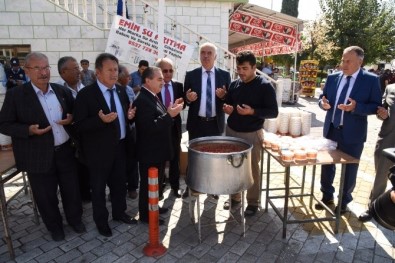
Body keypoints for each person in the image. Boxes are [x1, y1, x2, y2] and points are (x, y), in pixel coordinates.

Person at [0, 52, 85, 241]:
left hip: (64, 151)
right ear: (27, 71)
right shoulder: (16, 95)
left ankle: (75, 220)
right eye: (37, 68)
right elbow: (4, 124)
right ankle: (55, 227)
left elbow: (73, 113)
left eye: (46, 67)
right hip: (36, 155)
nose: (43, 72)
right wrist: (28, 130)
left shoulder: (60, 91)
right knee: (45, 196)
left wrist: (71, 119)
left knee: (71, 189)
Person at [73, 53, 137, 237]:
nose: (114, 73)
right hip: (98, 152)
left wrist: (129, 118)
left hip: (120, 148)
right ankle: (101, 222)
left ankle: (119, 213)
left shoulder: (121, 91)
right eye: (110, 70)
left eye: (116, 69)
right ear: (98, 72)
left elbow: (124, 117)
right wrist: (100, 121)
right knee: (99, 189)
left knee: (119, 185)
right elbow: (79, 125)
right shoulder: (86, 94)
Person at [316, 46, 382, 214]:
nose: (344, 65)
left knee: (350, 169)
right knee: (327, 165)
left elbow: (376, 106)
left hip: (353, 133)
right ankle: (327, 195)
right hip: (331, 129)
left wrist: (356, 107)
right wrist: (322, 104)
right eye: (343, 60)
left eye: (348, 61)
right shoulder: (332, 78)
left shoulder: (371, 80)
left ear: (360, 62)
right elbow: (321, 99)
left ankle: (344, 201)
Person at [223, 51, 278, 216]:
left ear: (254, 67)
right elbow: (229, 103)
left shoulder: (265, 86)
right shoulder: (234, 84)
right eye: (239, 68)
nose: (241, 72)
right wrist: (227, 107)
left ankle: (253, 202)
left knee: (252, 169)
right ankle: (235, 197)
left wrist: (252, 111)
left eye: (245, 68)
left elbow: (273, 112)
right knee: (232, 167)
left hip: (252, 133)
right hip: (232, 131)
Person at [132, 66, 184, 225]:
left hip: (158, 151)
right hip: (150, 152)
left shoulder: (152, 96)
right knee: (148, 185)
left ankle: (153, 207)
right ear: (147, 81)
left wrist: (170, 111)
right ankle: (146, 215)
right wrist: (170, 115)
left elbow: (158, 117)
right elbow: (149, 128)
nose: (163, 82)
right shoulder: (142, 99)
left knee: (156, 184)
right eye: (159, 79)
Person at [183, 42, 231, 198]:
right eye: (203, 52)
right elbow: (185, 100)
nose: (205, 55)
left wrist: (224, 96)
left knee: (214, 157)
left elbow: (229, 99)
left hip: (215, 123)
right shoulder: (191, 75)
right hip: (196, 123)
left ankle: (213, 187)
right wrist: (188, 99)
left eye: (209, 53)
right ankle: (191, 186)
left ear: (215, 56)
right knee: (194, 156)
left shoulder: (225, 75)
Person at [57, 56, 92, 202]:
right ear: (63, 72)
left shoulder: (84, 88)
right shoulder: (57, 91)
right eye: (76, 68)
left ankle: (86, 194)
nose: (79, 71)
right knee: (73, 172)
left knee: (86, 168)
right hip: (69, 139)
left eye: (79, 68)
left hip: (86, 137)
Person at [359, 83, 395, 221]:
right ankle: (373, 207)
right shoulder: (391, 88)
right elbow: (382, 112)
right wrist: (383, 114)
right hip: (388, 139)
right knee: (381, 174)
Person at [155, 58, 184, 198]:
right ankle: (159, 188)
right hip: (160, 127)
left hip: (175, 127)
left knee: (175, 158)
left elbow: (184, 103)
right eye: (164, 70)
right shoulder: (154, 87)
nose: (168, 73)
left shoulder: (179, 86)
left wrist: (184, 102)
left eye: (170, 70)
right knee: (160, 158)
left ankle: (175, 186)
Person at [117, 64, 139, 199]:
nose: (130, 78)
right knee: (118, 164)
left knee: (132, 161)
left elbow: (132, 109)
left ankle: (132, 187)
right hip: (115, 135)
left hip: (130, 130)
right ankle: (119, 187)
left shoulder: (128, 90)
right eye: (127, 76)